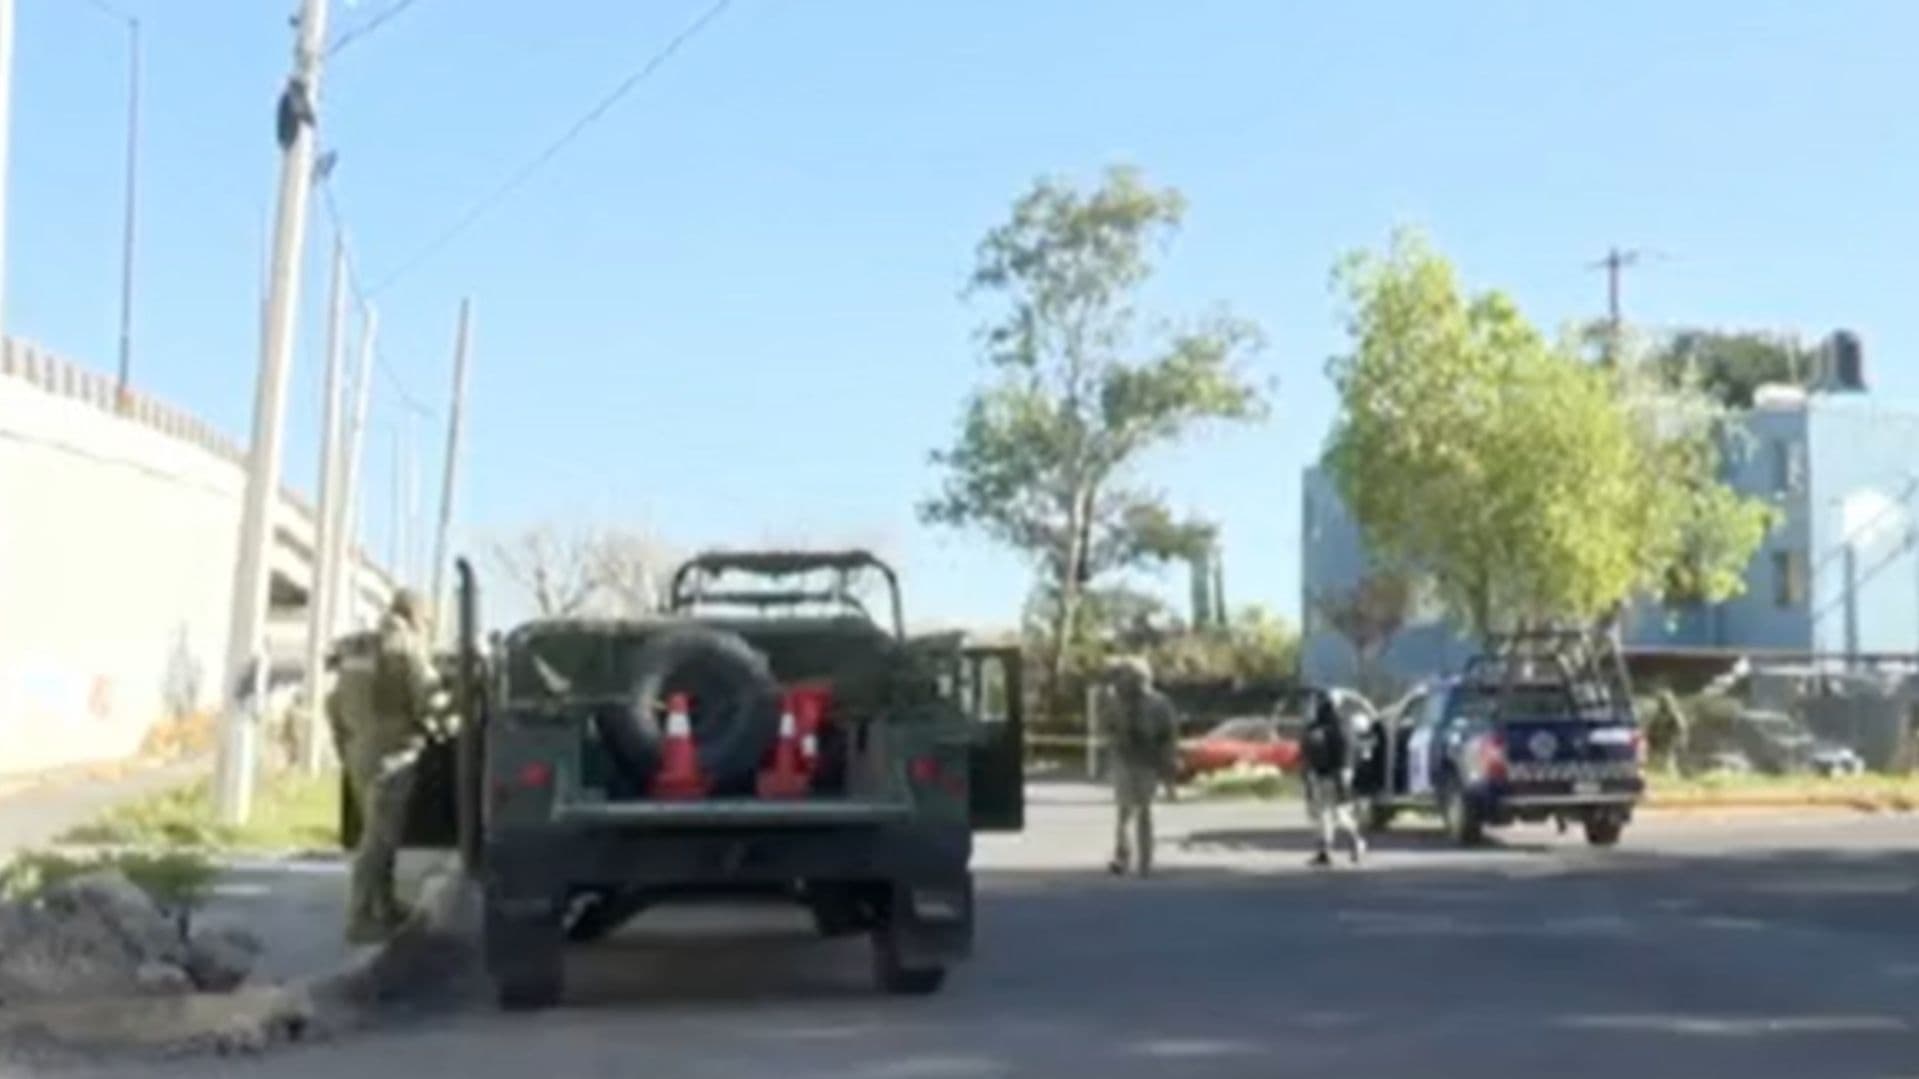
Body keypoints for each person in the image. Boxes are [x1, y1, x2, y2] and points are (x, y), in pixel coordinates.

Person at [328, 588, 442, 943]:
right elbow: (428, 698)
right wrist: (446, 721)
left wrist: (344, 744)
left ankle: (384, 905)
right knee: (380, 839)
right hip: (394, 751)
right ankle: (361, 916)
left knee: (377, 831)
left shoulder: (357, 646)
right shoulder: (407, 647)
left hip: (358, 748)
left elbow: (333, 704)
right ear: (416, 614)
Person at [1101, 657, 1178, 877]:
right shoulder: (1116, 701)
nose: (1126, 683)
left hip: (1148, 761)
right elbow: (1107, 727)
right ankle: (1123, 856)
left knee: (1144, 810)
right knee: (1124, 810)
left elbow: (1168, 736)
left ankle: (1145, 859)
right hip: (1124, 759)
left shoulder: (1159, 703)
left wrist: (1167, 766)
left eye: (1131, 678)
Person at [1301, 687, 1365, 867]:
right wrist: (1308, 772)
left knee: (1339, 813)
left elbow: (1347, 747)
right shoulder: (1318, 723)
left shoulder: (1340, 723)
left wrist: (1345, 771)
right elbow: (1308, 749)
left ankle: (1356, 842)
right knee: (1322, 814)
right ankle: (1324, 851)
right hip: (1321, 773)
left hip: (1334, 773)